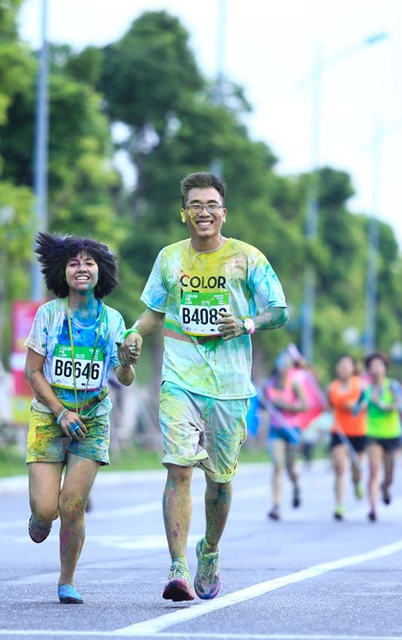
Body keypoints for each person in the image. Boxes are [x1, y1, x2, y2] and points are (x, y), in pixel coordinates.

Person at [119, 172, 287, 602]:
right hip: (180, 379)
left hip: (230, 388)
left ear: (223, 213)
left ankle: (209, 549)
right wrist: (136, 332)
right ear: (184, 213)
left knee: (221, 481)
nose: (204, 212)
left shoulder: (247, 258)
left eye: (211, 205)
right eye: (195, 205)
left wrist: (246, 324)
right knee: (179, 468)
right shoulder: (170, 259)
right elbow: (154, 313)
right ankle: (177, 566)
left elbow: (279, 310)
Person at [23, 232, 136, 605]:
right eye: (74, 263)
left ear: (101, 271)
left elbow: (124, 377)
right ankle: (40, 517)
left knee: (72, 504)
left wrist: (127, 362)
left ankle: (66, 581)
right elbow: (32, 371)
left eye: (89, 262)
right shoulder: (49, 315)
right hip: (49, 417)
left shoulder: (112, 321)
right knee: (47, 510)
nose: (82, 268)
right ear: (63, 271)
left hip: (93, 420)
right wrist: (60, 411)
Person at [261, 351, 307, 521]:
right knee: (277, 465)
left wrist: (285, 406)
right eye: (281, 364)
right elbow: (263, 405)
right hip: (276, 429)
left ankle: (296, 486)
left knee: (290, 468)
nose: (283, 368)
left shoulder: (294, 384)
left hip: (292, 430)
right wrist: (265, 403)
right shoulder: (269, 384)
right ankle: (276, 505)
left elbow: (305, 406)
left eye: (287, 364)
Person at [360, 353, 402, 523]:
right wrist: (359, 406)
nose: (375, 368)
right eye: (372, 366)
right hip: (373, 433)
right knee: (373, 470)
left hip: (392, 433)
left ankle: (385, 487)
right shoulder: (366, 390)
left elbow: (399, 404)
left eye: (379, 365)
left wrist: (381, 404)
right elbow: (356, 408)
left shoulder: (392, 386)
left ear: (385, 368)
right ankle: (373, 508)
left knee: (389, 474)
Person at [327, 354, 368, 521]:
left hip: (357, 431)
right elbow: (329, 406)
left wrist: (356, 406)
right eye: (341, 365)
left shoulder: (361, 385)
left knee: (356, 469)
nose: (343, 368)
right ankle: (339, 505)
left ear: (352, 368)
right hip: (339, 431)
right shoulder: (333, 387)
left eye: (346, 365)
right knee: (339, 467)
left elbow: (367, 403)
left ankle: (357, 482)